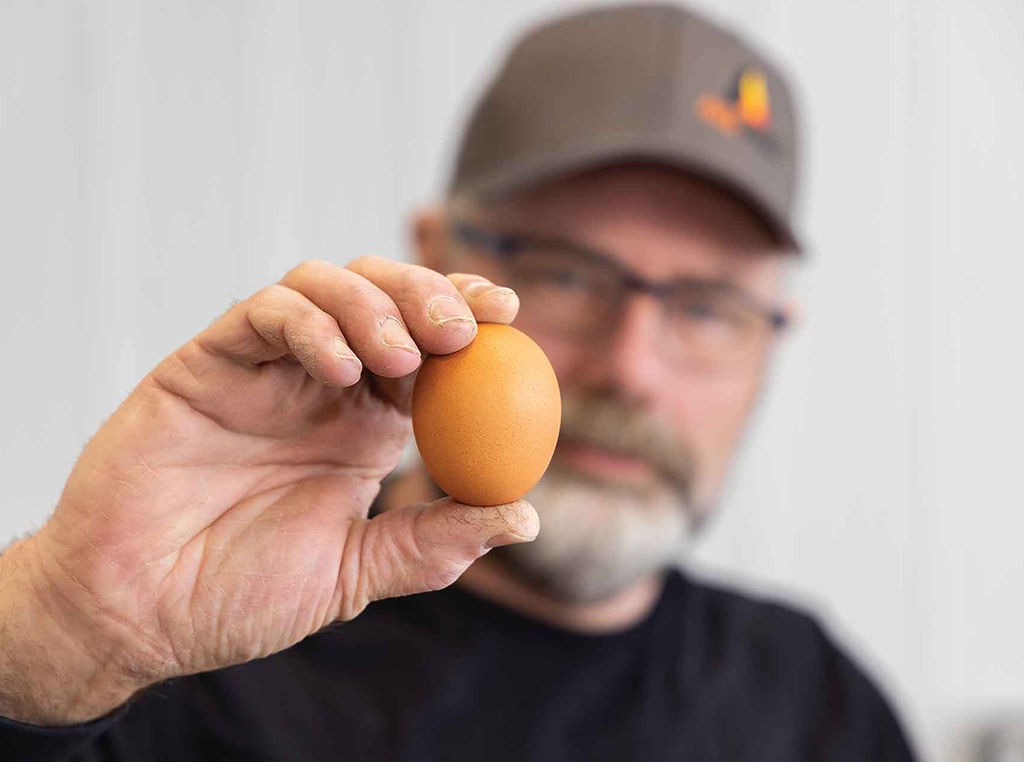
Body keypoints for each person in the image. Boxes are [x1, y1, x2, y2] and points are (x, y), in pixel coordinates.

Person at [0, 4, 916, 760]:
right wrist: (66, 625)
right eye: (565, 272)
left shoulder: (819, 709)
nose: (630, 369)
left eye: (709, 307)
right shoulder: (192, 647)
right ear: (437, 259)